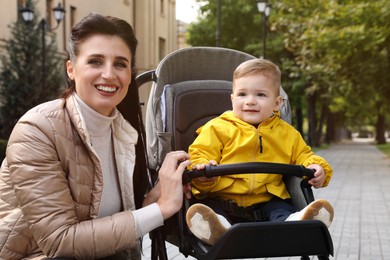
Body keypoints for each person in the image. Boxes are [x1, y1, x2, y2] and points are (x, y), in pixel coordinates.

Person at [0, 13, 191, 259]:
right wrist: (161, 210)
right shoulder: (37, 130)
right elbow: (60, 242)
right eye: (95, 61)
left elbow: (107, 222)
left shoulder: (124, 132)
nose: (109, 74)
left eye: (120, 64)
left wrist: (156, 199)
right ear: (71, 69)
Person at [185, 58, 334, 246]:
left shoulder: (287, 133)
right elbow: (200, 152)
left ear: (277, 103)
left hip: (268, 201)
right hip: (223, 197)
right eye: (242, 94)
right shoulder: (217, 128)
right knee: (209, 209)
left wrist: (317, 167)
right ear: (232, 99)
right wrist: (203, 169)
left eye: (261, 95)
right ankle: (218, 229)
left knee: (282, 210)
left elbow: (304, 155)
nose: (250, 101)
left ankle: (298, 223)